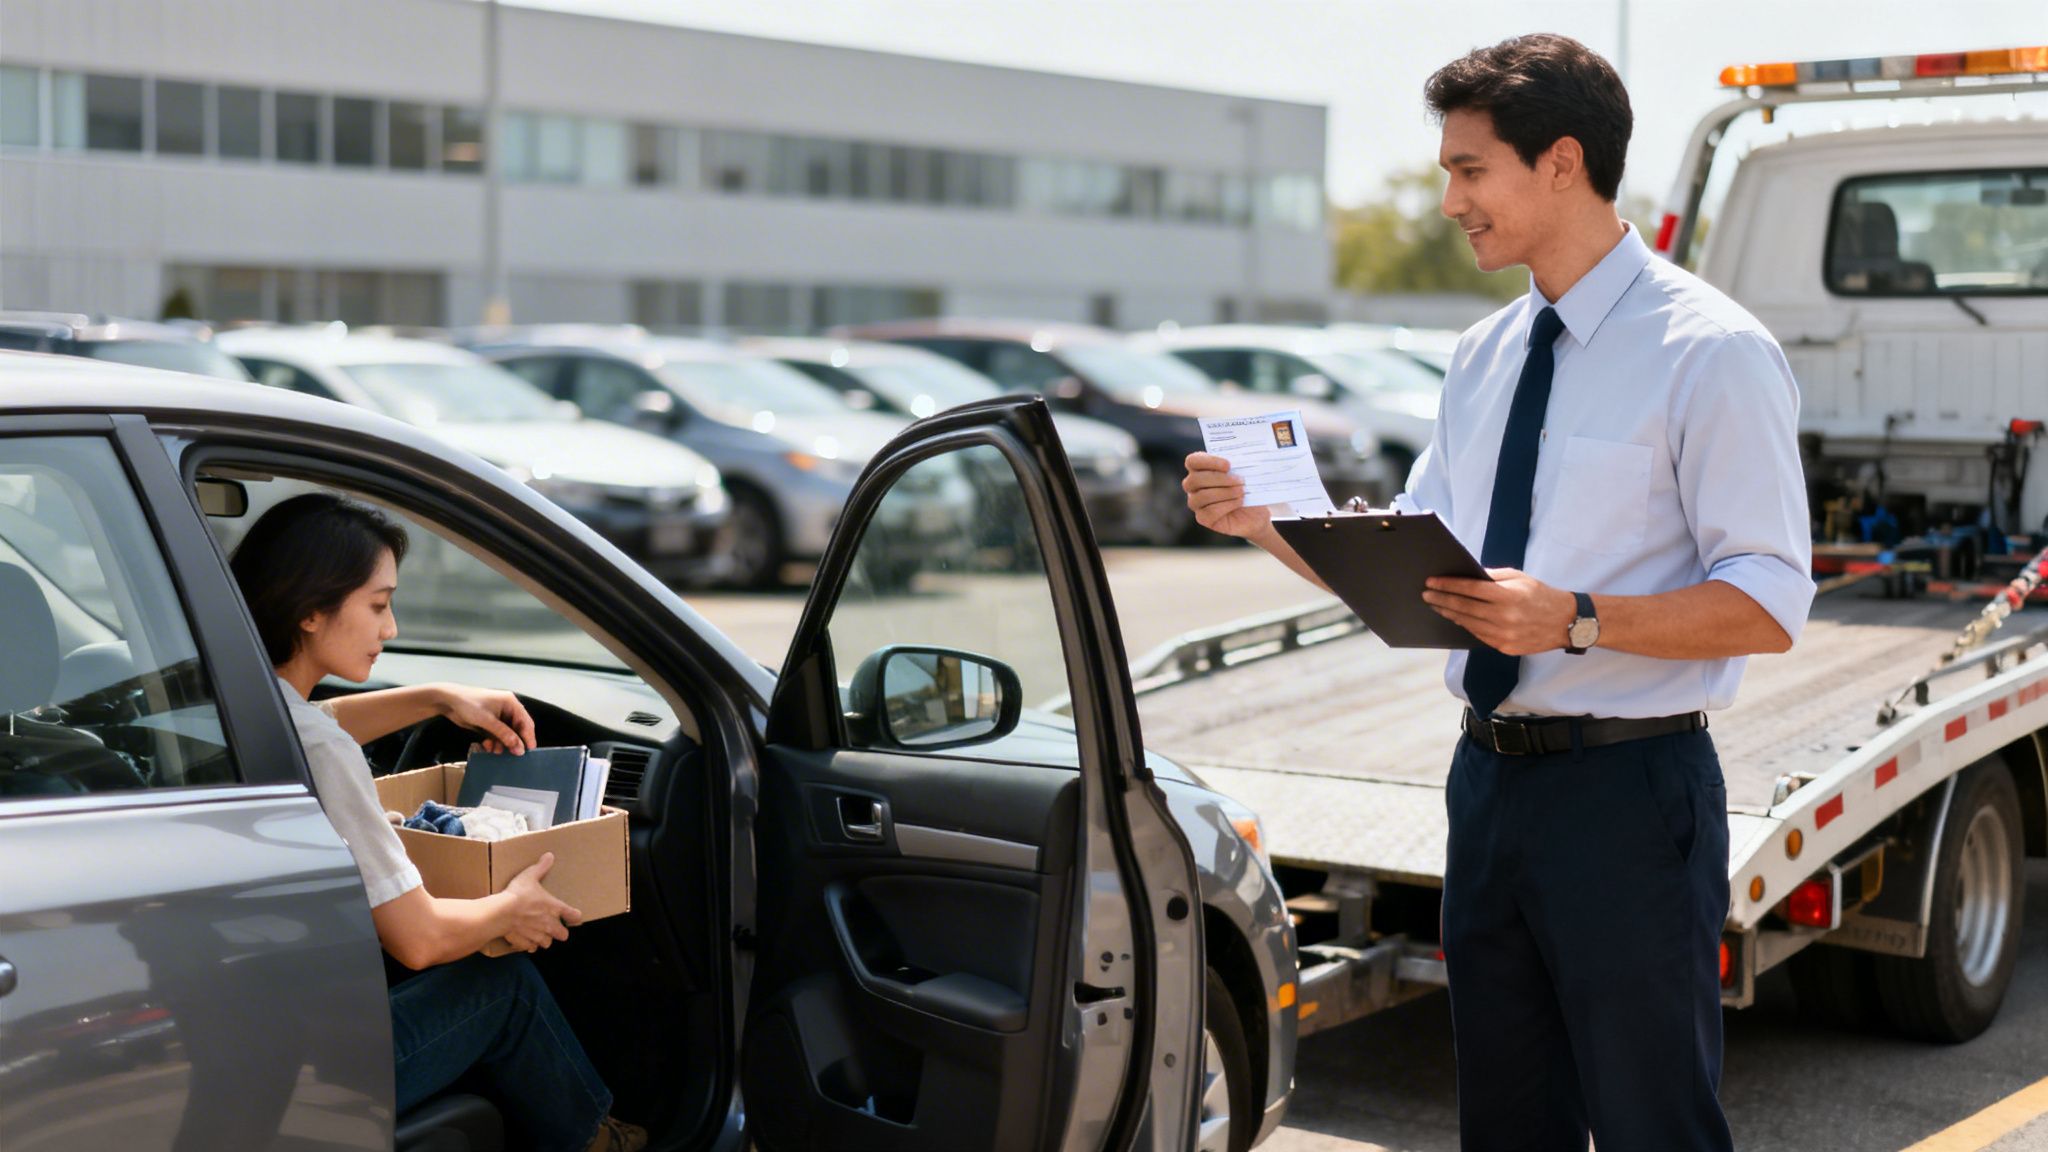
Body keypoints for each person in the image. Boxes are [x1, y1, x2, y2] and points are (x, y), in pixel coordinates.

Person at [1183, 34, 1812, 1152]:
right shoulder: (1481, 355)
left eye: (1468, 170)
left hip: (1628, 798)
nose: (1447, 201)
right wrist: (1262, 520)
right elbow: (1420, 566)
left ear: (1559, 161)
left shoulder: (1710, 351)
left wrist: (1574, 617)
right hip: (1486, 789)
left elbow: (1768, 599)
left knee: (1650, 1123)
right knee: (1506, 1124)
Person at [229, 491, 647, 1152]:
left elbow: (309, 726)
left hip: (242, 1043)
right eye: (377, 604)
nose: (390, 629)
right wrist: (513, 907)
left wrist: (434, 697)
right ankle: (602, 1142)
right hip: (318, 1076)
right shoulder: (321, 753)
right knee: (501, 983)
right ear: (309, 608)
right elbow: (419, 940)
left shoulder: (221, 702)